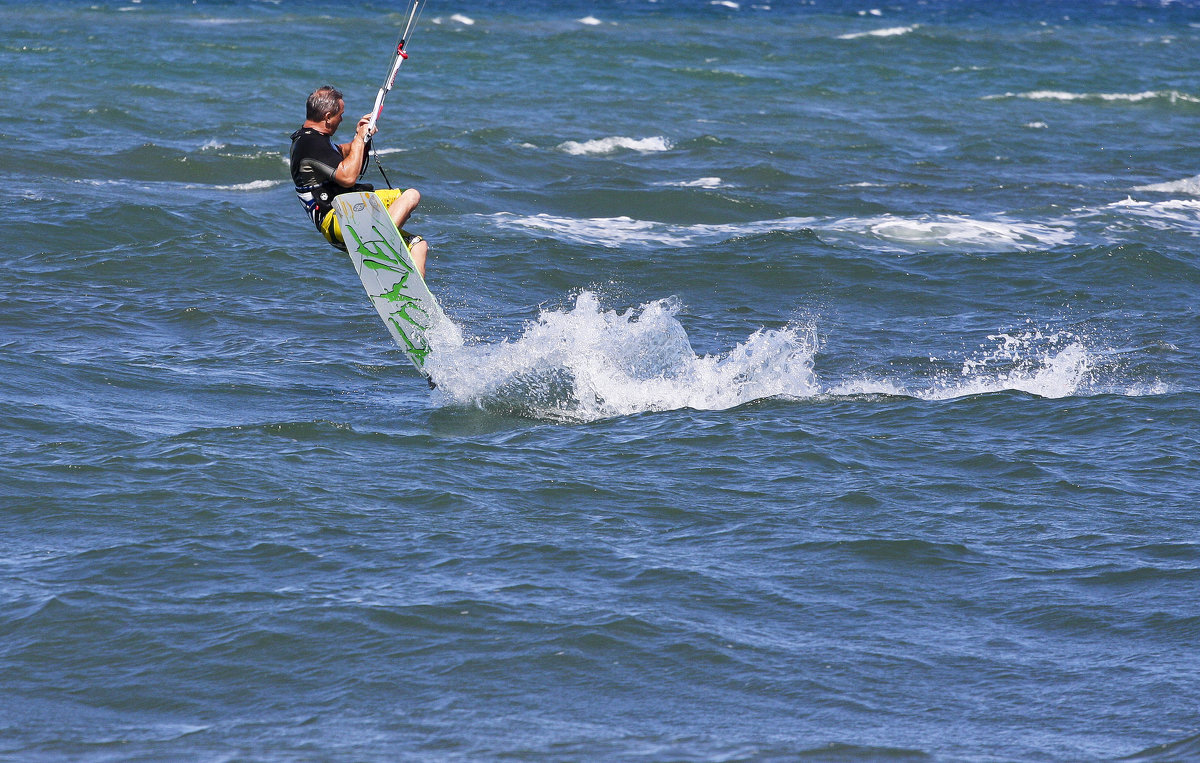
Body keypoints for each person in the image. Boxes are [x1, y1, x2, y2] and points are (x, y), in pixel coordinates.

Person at [289, 85, 430, 276]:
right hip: (339, 218)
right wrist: (359, 139)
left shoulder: (315, 140)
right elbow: (348, 177)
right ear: (328, 116)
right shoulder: (309, 144)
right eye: (341, 114)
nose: (342, 119)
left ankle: (415, 300)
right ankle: (378, 245)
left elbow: (345, 152)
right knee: (411, 195)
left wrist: (361, 136)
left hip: (353, 214)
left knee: (418, 246)